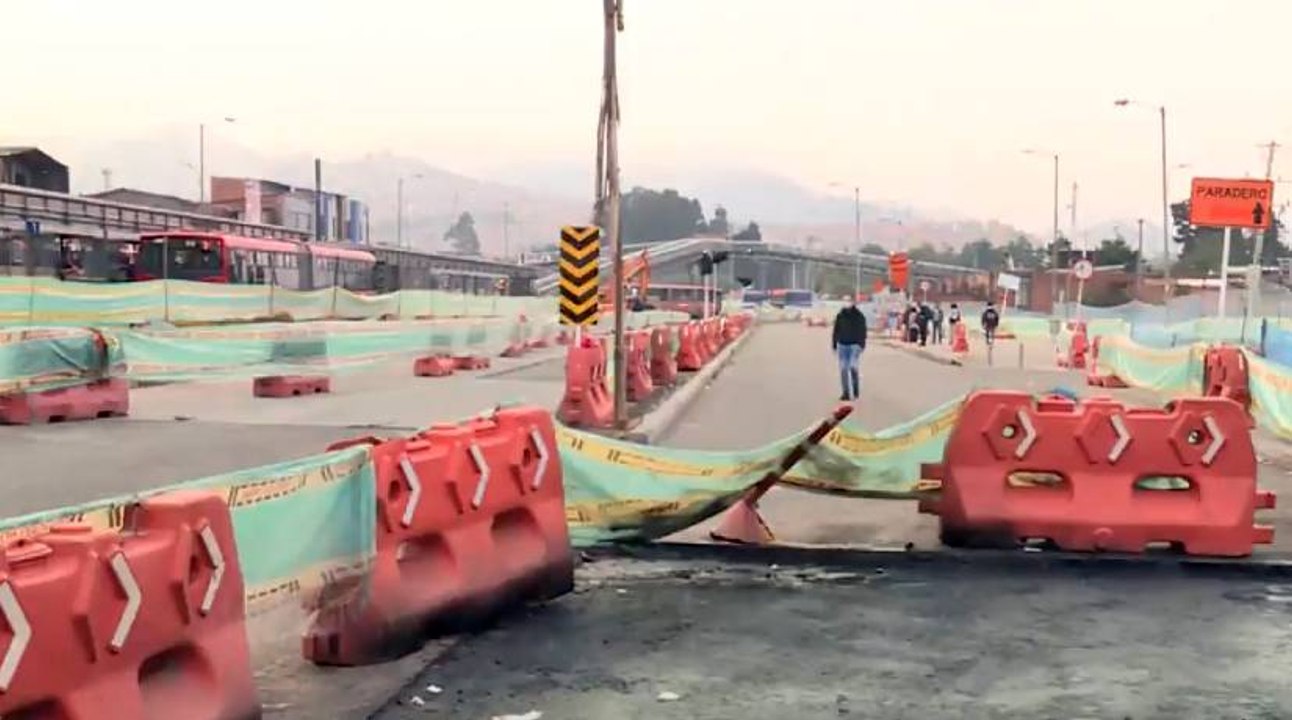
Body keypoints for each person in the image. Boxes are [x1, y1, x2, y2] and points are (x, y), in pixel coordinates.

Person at [831, 300, 867, 401]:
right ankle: (845, 393)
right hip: (842, 345)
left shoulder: (859, 316)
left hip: (854, 345)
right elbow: (836, 330)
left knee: (852, 366)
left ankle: (855, 390)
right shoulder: (840, 315)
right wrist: (834, 343)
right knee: (843, 369)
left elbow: (863, 330)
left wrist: (862, 344)